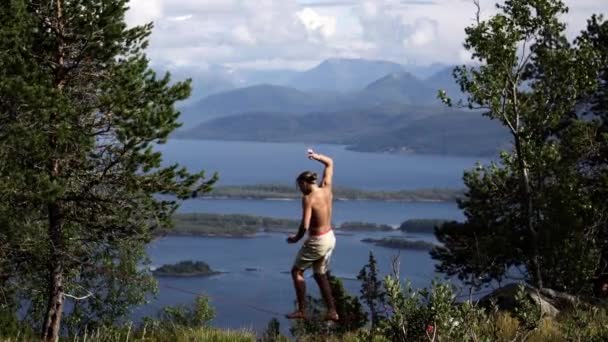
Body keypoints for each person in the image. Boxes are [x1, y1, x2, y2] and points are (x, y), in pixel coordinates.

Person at [286, 149, 339, 322]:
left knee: (296, 271)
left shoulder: (309, 198)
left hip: (317, 241)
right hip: (330, 237)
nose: (300, 189)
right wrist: (317, 157)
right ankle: (332, 311)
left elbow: (305, 225)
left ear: (305, 183)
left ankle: (302, 310)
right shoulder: (326, 188)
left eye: (300, 185)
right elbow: (329, 162)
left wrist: (295, 238)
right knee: (319, 274)